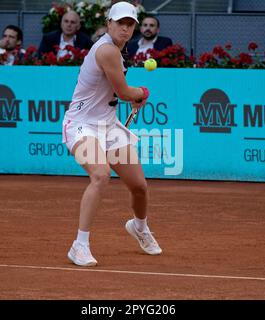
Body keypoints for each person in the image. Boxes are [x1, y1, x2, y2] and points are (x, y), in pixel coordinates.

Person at [62, 1, 162, 267]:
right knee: (100, 174)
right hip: (81, 125)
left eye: (130, 25)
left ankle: (139, 227)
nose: (126, 29)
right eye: (120, 23)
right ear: (109, 24)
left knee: (139, 187)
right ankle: (79, 246)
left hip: (107, 125)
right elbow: (125, 93)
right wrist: (142, 93)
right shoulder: (107, 50)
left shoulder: (119, 49)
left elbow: (116, 92)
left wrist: (130, 95)